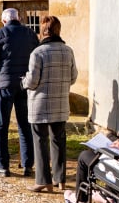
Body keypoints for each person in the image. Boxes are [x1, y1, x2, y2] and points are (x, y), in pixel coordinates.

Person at [22, 16, 78, 193]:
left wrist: (22, 82)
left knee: (40, 141)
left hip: (40, 103)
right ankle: (59, 179)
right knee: (58, 140)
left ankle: (43, 180)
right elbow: (73, 76)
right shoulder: (68, 51)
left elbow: (32, 81)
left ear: (43, 30)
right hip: (60, 102)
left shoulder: (37, 53)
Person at [0, 8, 38, 176]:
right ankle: (27, 164)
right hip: (25, 84)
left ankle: (3, 165)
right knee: (25, 125)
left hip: (5, 83)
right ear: (19, 18)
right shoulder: (30, 34)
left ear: (4, 21)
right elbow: (36, 57)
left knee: (1, 126)